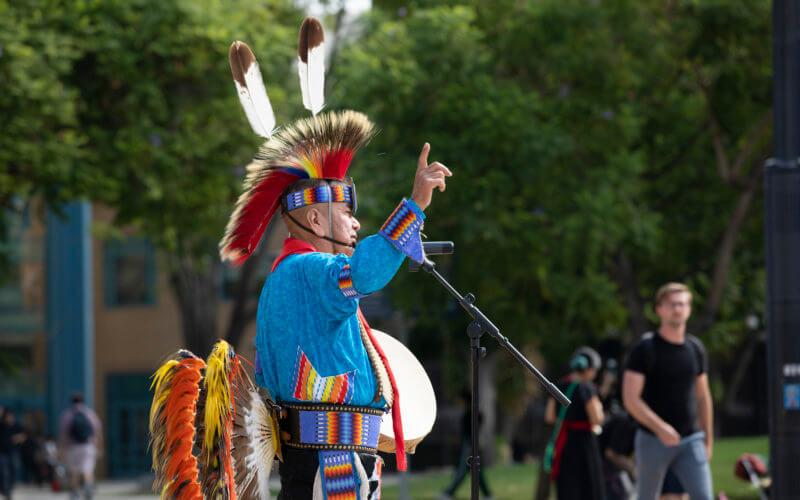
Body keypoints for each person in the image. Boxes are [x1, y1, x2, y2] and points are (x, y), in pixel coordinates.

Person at [622, 282, 714, 500]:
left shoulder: (695, 349)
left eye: (682, 304)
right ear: (659, 309)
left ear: (689, 309)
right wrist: (660, 427)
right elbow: (630, 399)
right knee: (648, 496)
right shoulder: (645, 349)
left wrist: (708, 440)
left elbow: (703, 397)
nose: (677, 309)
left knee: (704, 496)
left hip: (690, 439)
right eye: (672, 304)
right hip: (653, 439)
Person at [543, 347, 605, 500]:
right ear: (588, 369)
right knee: (588, 486)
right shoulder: (586, 388)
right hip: (584, 444)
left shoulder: (559, 385)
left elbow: (550, 417)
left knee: (567, 486)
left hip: (564, 443)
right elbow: (596, 419)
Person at [438, 390, 493, 500]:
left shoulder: (472, 414)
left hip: (470, 445)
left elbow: (472, 432)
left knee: (463, 471)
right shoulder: (471, 413)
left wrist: (470, 447)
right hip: (470, 444)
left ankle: (449, 493)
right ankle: (487, 495)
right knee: (476, 472)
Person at [58, 392, 102, 500]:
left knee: (74, 471)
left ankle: (74, 493)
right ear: (82, 401)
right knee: (88, 469)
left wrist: (61, 450)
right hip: (88, 446)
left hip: (72, 447)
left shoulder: (67, 415)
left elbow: (63, 435)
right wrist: (99, 447)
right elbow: (97, 432)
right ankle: (88, 488)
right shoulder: (89, 414)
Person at [0, 409, 25, 500]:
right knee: (4, 472)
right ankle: (6, 492)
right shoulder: (1, 426)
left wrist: (17, 438)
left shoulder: (16, 426)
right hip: (2, 453)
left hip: (13, 451)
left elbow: (24, 436)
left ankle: (8, 489)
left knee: (14, 468)